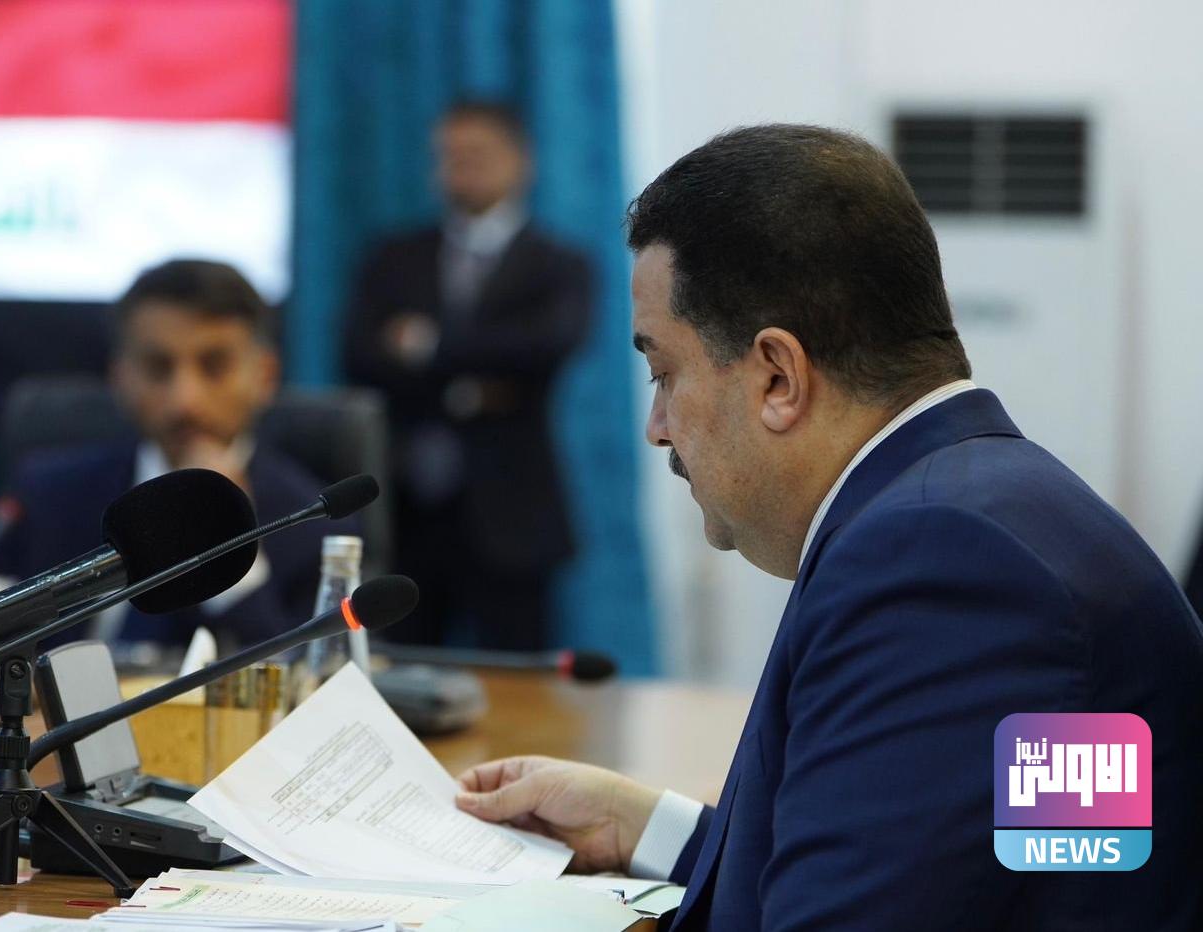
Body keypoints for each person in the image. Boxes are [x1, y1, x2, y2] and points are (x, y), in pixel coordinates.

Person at [453, 126, 1203, 930]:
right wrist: (645, 827)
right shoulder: (994, 511)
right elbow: (987, 862)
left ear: (779, 377)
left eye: (663, 373)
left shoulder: (940, 568)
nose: (657, 427)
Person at [0, 259, 353, 651]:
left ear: (265, 375)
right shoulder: (48, 495)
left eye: (214, 367)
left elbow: (308, 673)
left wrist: (234, 555)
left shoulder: (316, 522)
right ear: (120, 377)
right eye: (158, 368)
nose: (184, 401)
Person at [342, 101, 591, 650]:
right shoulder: (393, 257)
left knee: (520, 674)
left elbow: (544, 347)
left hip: (512, 507)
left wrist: (427, 346)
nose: (462, 168)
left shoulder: (560, 264)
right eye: (450, 156)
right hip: (408, 506)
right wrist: (480, 378)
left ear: (520, 160)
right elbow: (360, 355)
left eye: (477, 154)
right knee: (396, 665)